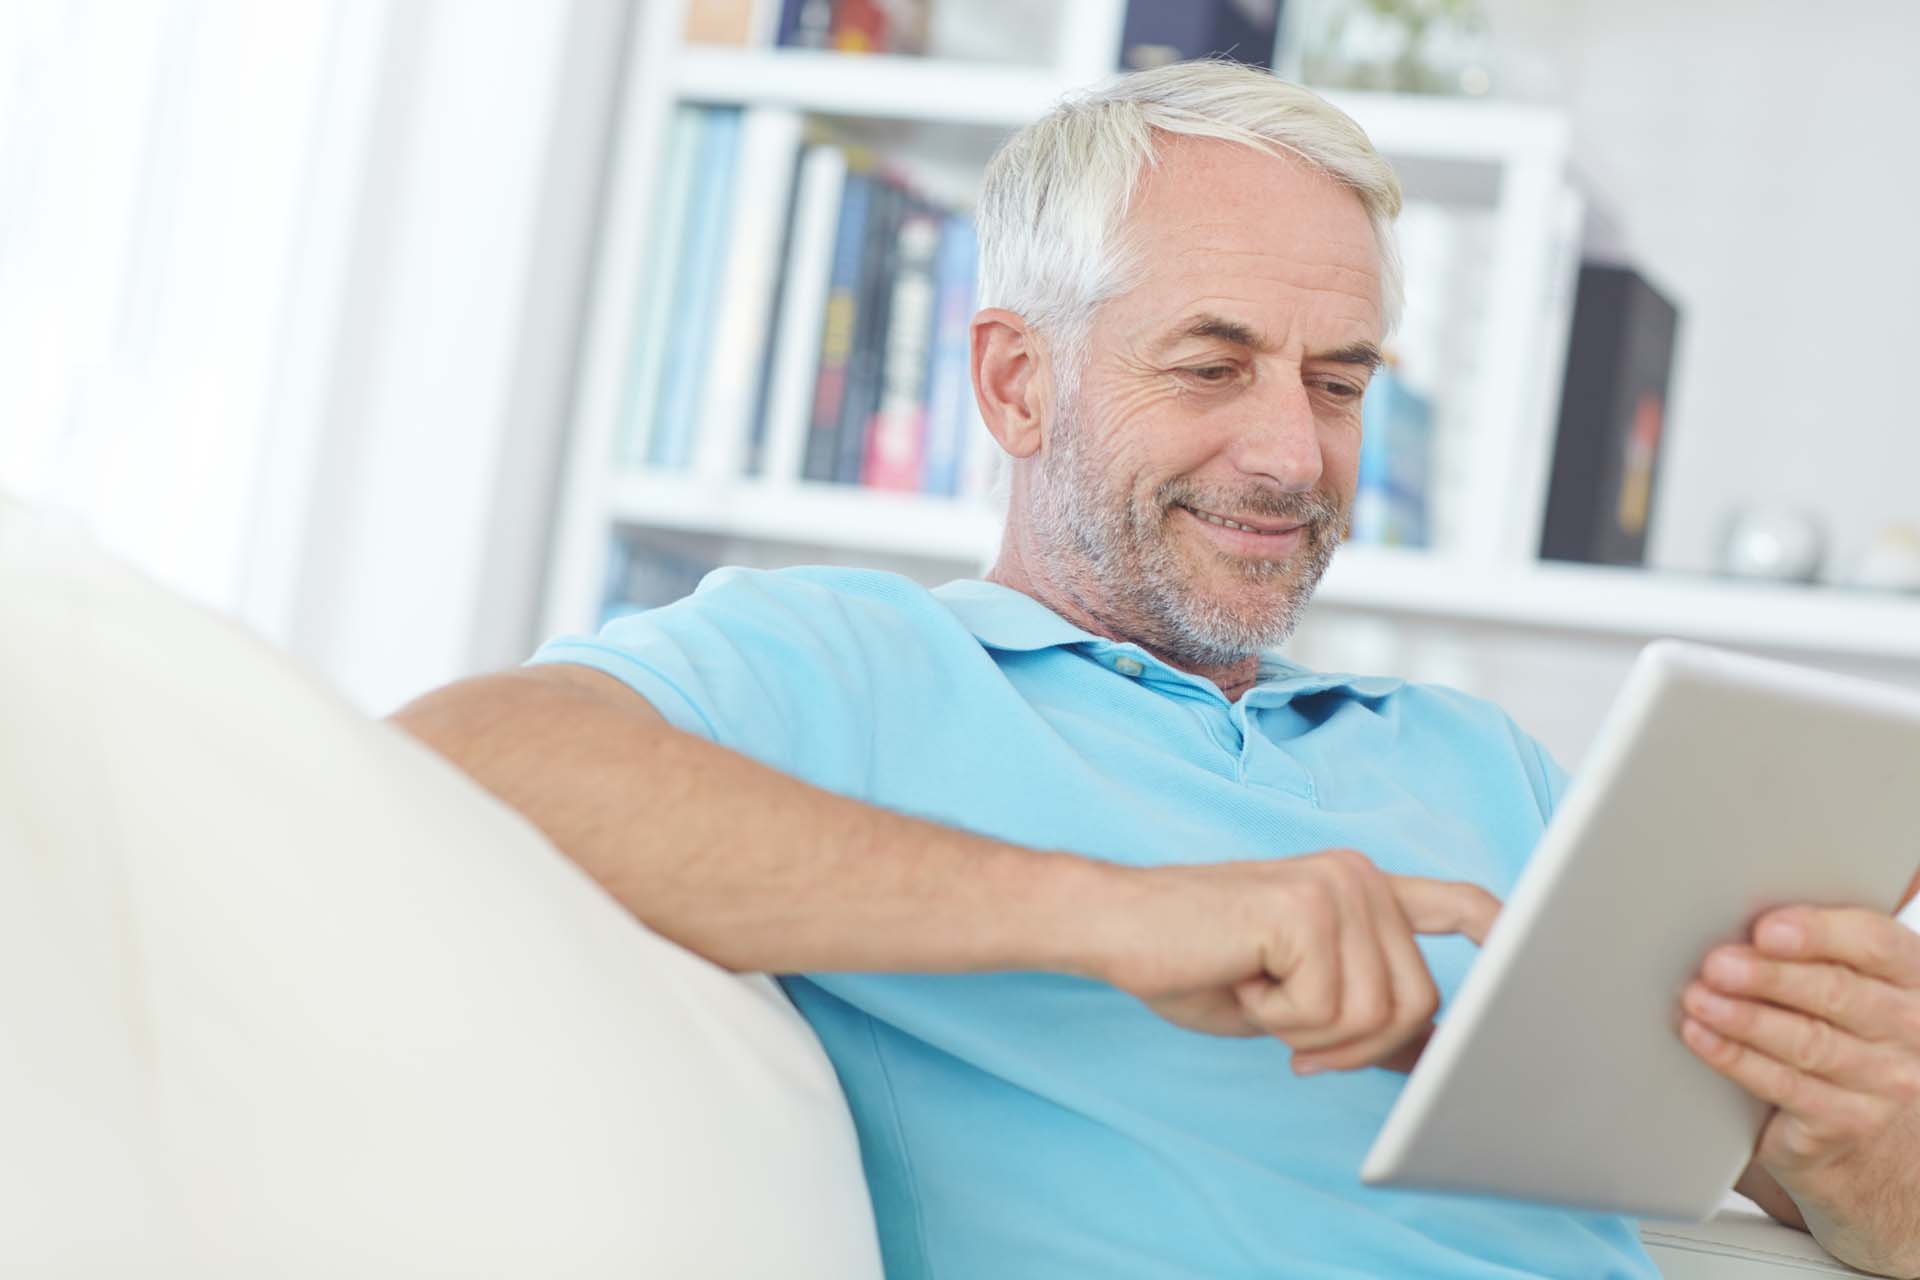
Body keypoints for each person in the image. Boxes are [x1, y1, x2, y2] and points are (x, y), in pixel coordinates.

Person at [394, 61, 1920, 1278]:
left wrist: (1866, 1159)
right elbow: (462, 759)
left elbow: (1811, 1191)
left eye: (1336, 384)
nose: (1289, 454)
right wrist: (1126, 915)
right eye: (1210, 367)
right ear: (1016, 381)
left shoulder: (1482, 765)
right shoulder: (859, 665)